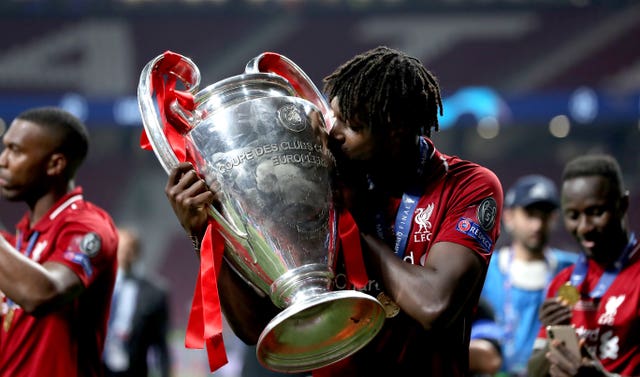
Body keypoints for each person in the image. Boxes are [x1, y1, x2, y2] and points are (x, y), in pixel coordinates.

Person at [163, 46, 503, 376]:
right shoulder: (321, 185)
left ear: (396, 130)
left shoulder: (466, 185)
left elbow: (433, 306)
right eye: (334, 116)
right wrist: (205, 231)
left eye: (351, 125)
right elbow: (256, 328)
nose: (333, 132)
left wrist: (349, 221)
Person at [0, 106, 119, 376]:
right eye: (4, 148)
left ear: (55, 164)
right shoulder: (20, 239)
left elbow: (43, 293)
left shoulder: (87, 226)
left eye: (15, 150)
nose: (2, 160)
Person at [527, 154, 640, 377]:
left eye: (596, 212)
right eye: (573, 215)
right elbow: (534, 372)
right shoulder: (564, 282)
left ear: (623, 205)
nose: (584, 227)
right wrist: (553, 337)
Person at [480, 174, 579, 376]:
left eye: (545, 216)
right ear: (508, 217)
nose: (537, 225)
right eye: (530, 214)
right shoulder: (486, 269)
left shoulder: (572, 270)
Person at [102, 226, 172, 377]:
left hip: (134, 370)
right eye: (118, 248)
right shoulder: (97, 286)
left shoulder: (154, 292)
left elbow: (161, 344)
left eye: (128, 249)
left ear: (136, 253)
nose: (123, 254)